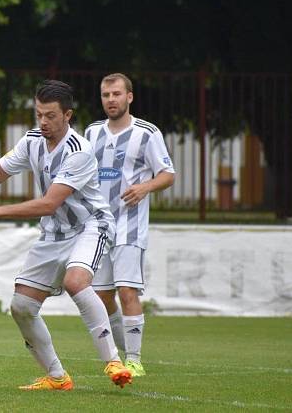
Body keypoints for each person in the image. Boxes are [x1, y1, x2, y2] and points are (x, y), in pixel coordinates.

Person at [0, 79, 132, 391]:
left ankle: (113, 361)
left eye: (50, 116)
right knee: (21, 306)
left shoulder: (79, 151)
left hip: (90, 226)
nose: (43, 122)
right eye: (39, 115)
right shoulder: (32, 140)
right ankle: (58, 378)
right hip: (53, 234)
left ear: (67, 115)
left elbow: (49, 203)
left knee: (76, 281)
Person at [84, 73, 175, 377]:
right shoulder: (92, 132)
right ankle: (123, 355)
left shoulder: (147, 133)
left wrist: (144, 187)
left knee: (127, 291)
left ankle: (135, 359)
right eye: (106, 95)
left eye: (116, 94)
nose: (111, 100)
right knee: (102, 296)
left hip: (129, 226)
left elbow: (168, 174)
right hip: (99, 227)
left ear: (129, 97)